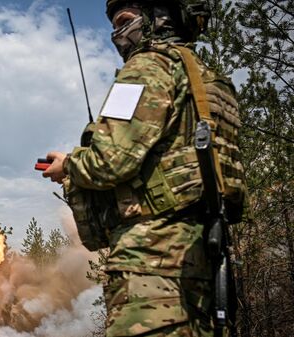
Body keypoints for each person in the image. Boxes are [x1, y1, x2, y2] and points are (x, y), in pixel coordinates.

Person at [42, 1, 247, 336]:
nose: (117, 35)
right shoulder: (209, 82)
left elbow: (110, 161)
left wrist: (69, 166)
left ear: (159, 16)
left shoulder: (146, 68)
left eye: (124, 20)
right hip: (200, 263)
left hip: (151, 268)